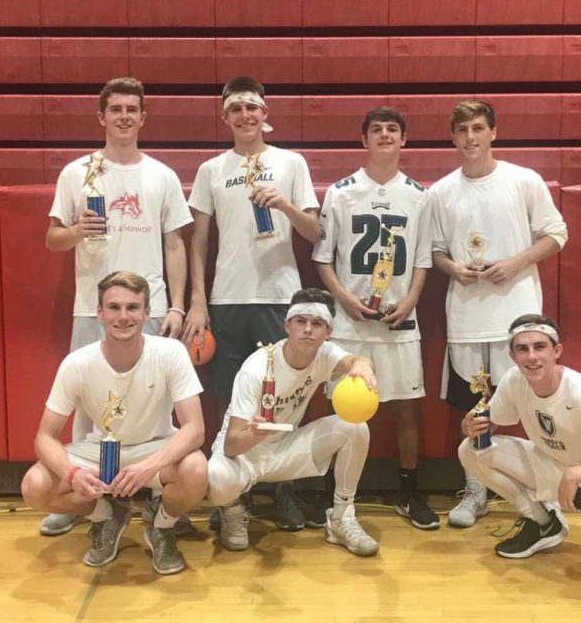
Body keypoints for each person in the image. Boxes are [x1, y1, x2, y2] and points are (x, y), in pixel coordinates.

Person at [41, 77, 193, 536]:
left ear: (143, 118)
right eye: (116, 109)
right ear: (102, 117)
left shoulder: (162, 176)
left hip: (151, 306)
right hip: (93, 306)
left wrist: (178, 306)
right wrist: (76, 232)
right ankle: (83, 501)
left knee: (155, 408)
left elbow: (175, 245)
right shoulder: (77, 172)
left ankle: (153, 496)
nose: (124, 116)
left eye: (132, 109)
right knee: (88, 411)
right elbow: (52, 240)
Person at [183, 76, 321, 531]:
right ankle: (230, 502)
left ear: (266, 115)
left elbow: (315, 233)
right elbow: (198, 241)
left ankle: (284, 491)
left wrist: (283, 205)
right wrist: (198, 303)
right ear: (225, 117)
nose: (245, 116)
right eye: (236, 109)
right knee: (229, 400)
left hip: (280, 299)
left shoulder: (291, 164)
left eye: (252, 108)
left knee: (285, 400)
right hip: (226, 302)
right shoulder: (210, 170)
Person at [428, 99, 568, 528]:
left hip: (517, 315)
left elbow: (556, 233)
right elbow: (434, 251)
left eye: (477, 128)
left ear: (493, 132)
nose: (470, 138)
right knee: (474, 406)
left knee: (532, 403)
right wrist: (454, 267)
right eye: (462, 130)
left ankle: (546, 490)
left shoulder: (523, 181)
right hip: (467, 317)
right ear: (452, 137)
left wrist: (516, 262)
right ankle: (475, 488)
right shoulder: (440, 191)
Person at [20, 271, 207, 574]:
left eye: (133, 307)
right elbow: (45, 436)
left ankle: (161, 525)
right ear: (99, 312)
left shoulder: (170, 353)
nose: (123, 316)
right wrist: (72, 473)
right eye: (114, 307)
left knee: (197, 470)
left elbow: (195, 429)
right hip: (101, 451)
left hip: (152, 449)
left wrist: (149, 466)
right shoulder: (77, 363)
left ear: (147, 313)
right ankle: (105, 516)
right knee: (35, 486)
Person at [313, 107, 439, 530]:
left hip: (399, 319)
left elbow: (422, 260)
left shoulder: (421, 196)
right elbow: (323, 259)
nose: (384, 135)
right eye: (376, 129)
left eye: (393, 130)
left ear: (405, 140)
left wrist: (411, 302)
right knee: (343, 413)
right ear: (363, 140)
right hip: (351, 323)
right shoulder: (342, 192)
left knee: (405, 410)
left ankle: (408, 492)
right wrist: (345, 297)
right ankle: (336, 498)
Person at [459, 314, 581, 585]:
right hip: (551, 465)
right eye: (522, 349)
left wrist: (576, 475)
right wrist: (470, 426)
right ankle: (542, 522)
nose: (532, 357)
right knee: (469, 450)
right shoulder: (514, 380)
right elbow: (490, 424)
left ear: (556, 351)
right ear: (512, 355)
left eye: (540, 347)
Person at [206, 288, 380, 556]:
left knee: (356, 428)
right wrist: (256, 434)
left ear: (328, 331)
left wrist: (363, 365)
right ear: (287, 325)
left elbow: (355, 360)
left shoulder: (325, 354)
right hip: (246, 453)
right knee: (216, 479)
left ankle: (342, 516)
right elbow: (230, 445)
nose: (308, 330)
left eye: (317, 324)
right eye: (301, 321)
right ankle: (233, 510)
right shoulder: (257, 367)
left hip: (285, 450)